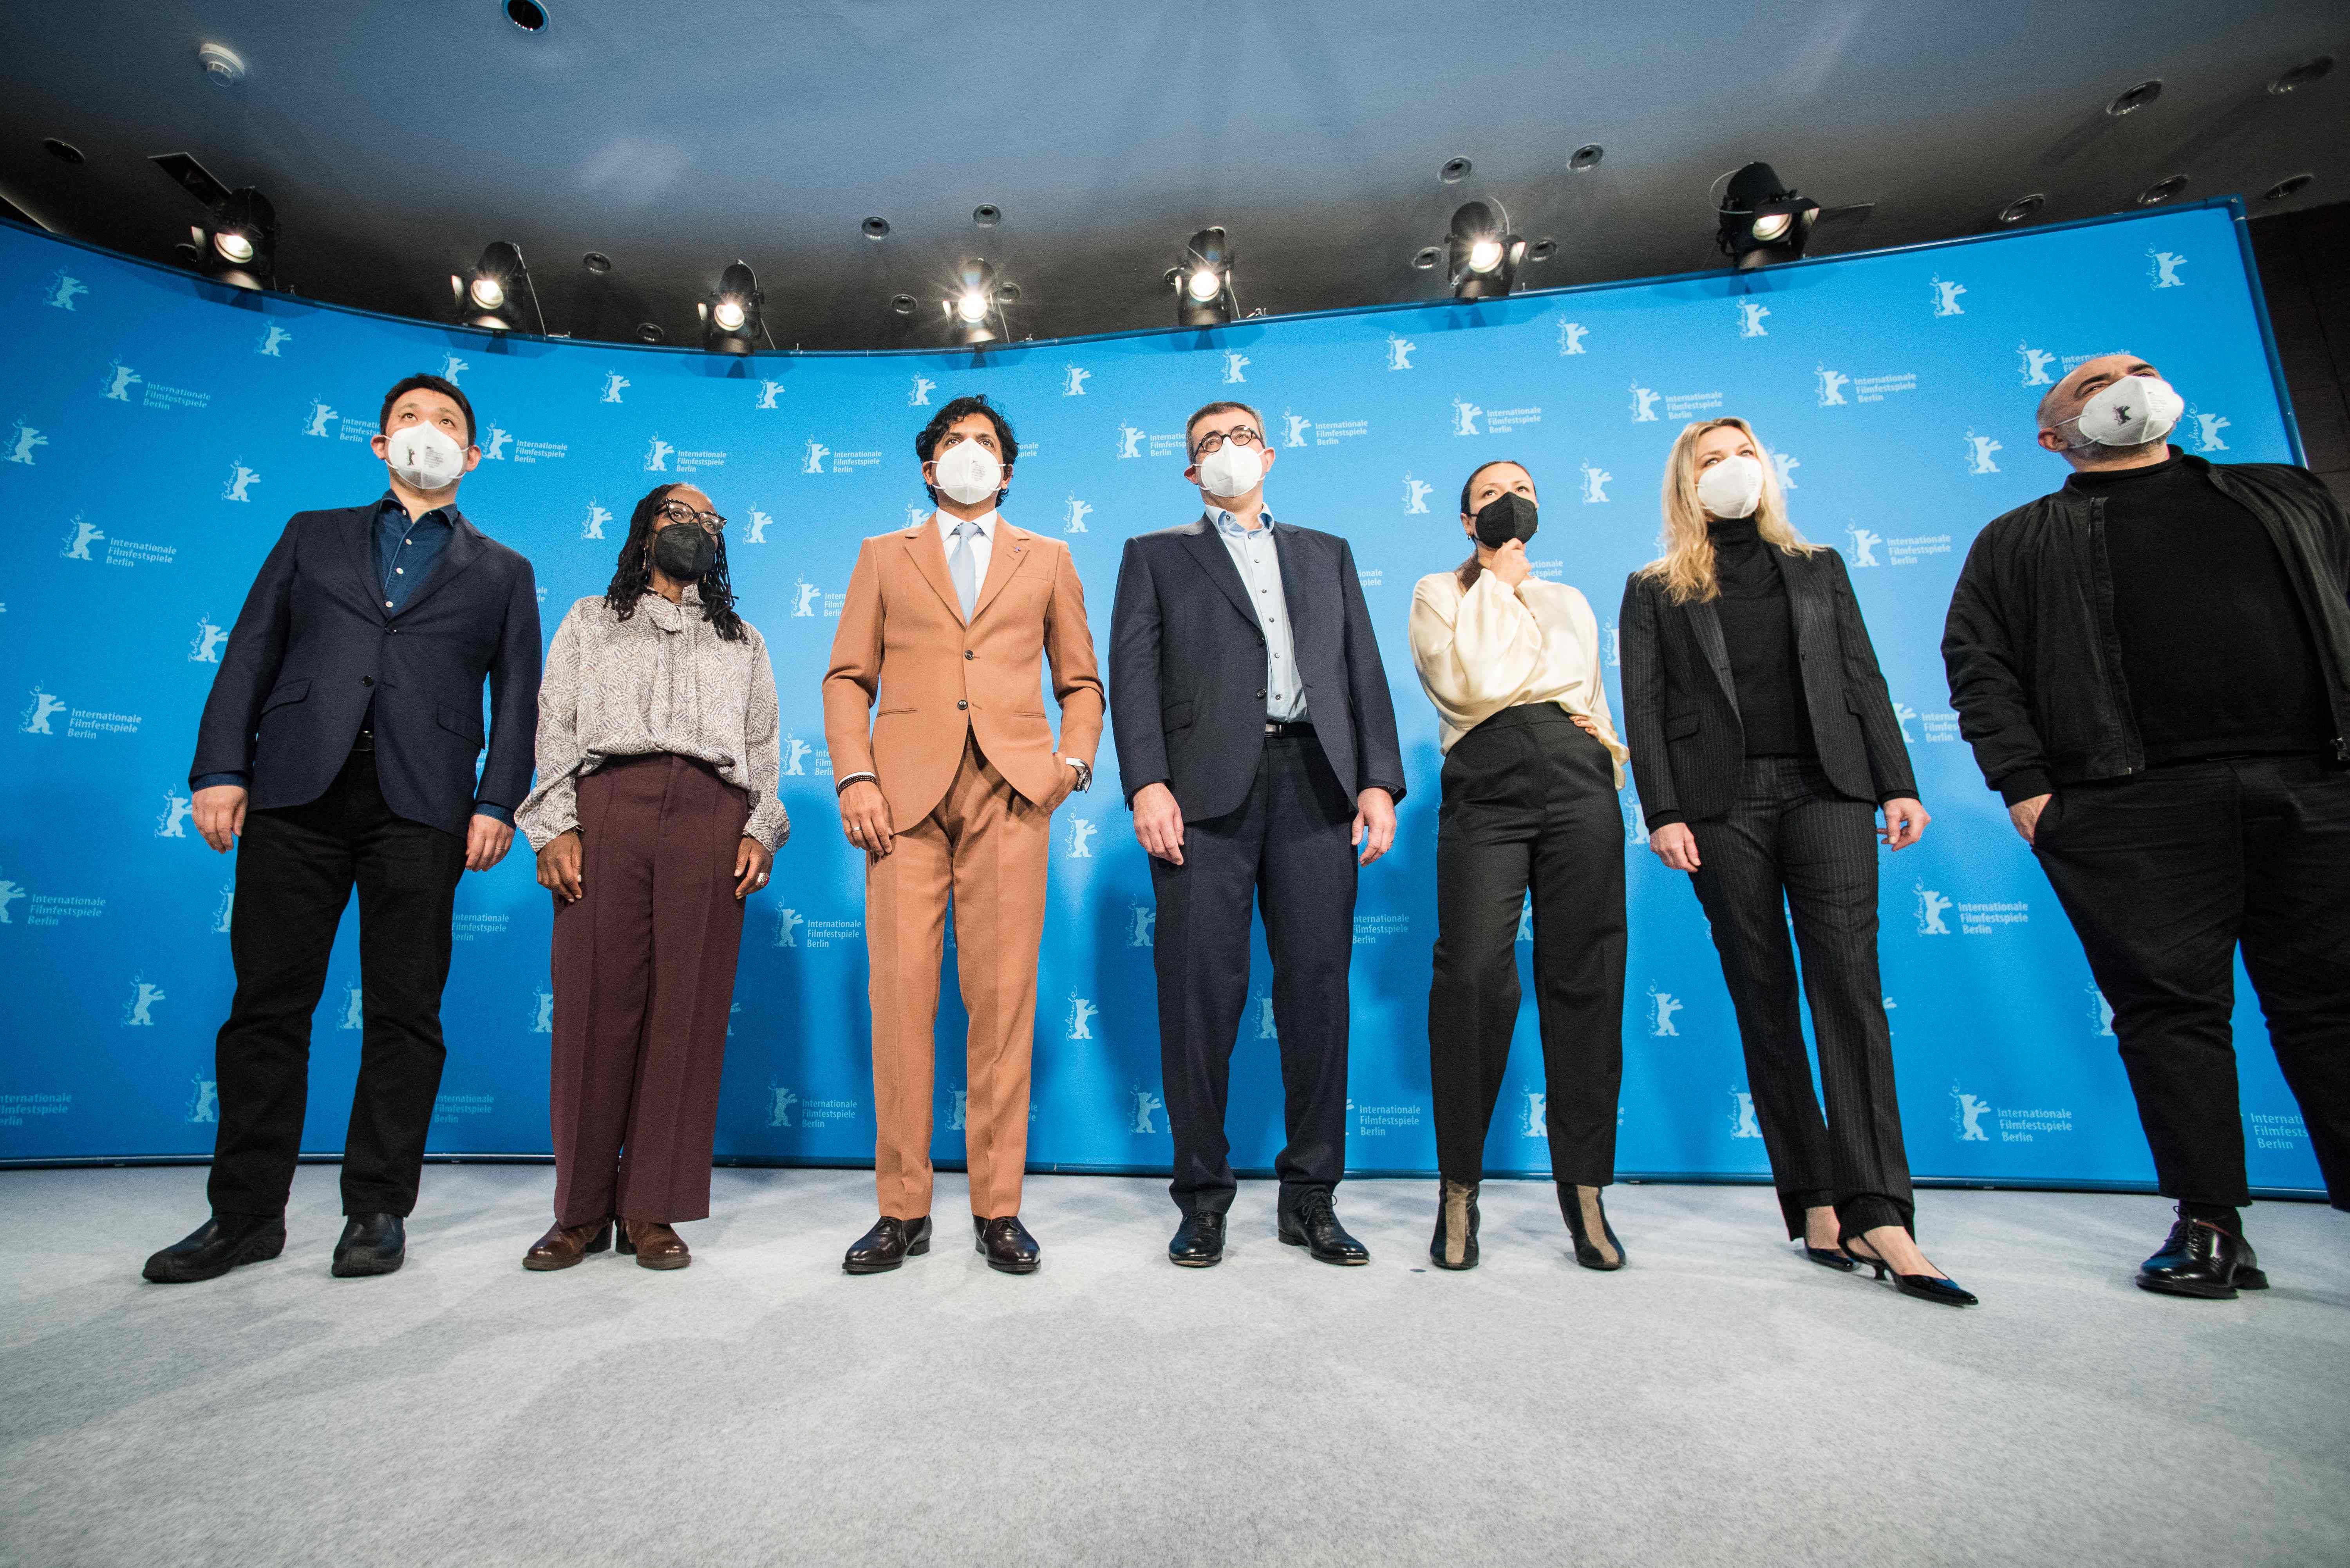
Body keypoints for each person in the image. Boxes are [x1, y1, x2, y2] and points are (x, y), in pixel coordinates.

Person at [1944, 352, 2350, 1299]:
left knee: (2335, 1005)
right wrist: (2027, 787)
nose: (2128, 384)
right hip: (2131, 804)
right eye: (2091, 384)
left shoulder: (2283, 495)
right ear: (2054, 437)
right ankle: (2211, 1221)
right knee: (2170, 1014)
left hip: (2316, 785)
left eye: (2140, 370)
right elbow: (1980, 664)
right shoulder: (2018, 538)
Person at [146, 373, 540, 1284]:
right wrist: (220, 768)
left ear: (473, 456)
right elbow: (250, 648)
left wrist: (496, 801)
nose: (426, 433)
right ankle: (243, 1215)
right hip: (293, 791)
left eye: (447, 424)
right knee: (266, 1008)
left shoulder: (505, 571)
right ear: (378, 443)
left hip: (425, 803)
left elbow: (517, 697)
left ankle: (375, 1208)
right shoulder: (310, 532)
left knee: (407, 1012)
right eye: (409, 419)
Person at [1622, 416, 1974, 1307]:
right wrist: (1661, 809)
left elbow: (1862, 677)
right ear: (1686, 481)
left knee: (1849, 987)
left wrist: (1897, 782)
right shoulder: (1655, 587)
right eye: (1713, 460)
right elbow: (1647, 703)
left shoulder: (1819, 566)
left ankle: (1882, 1210)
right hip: (1719, 803)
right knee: (1764, 996)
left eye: (1744, 455)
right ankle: (1814, 1199)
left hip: (1832, 789)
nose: (1732, 470)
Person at [1109, 399, 1406, 1269]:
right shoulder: (1156, 556)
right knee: (1200, 998)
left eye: (1240, 437)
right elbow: (1132, 673)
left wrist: (1379, 781)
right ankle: (1202, 1197)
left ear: (1269, 452)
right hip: (1203, 796)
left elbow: (1364, 670)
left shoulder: (1327, 553)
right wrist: (1147, 783)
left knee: (1318, 994)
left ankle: (1311, 1197)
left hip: (1317, 783)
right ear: (1190, 470)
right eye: (1208, 445)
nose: (1226, 452)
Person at [823, 394, 1102, 1276]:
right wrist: (856, 774)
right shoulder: (882, 555)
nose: (969, 453)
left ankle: (999, 1210)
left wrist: (1074, 765)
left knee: (1002, 1003)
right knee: (901, 1003)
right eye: (954, 442)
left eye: (985, 443)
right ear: (926, 464)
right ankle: (902, 1209)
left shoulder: (1049, 558)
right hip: (900, 802)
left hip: (1015, 794)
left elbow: (1083, 682)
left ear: (1008, 471)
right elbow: (845, 677)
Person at [514, 484, 786, 1272]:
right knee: (596, 1007)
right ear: (644, 529)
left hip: (711, 815)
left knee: (687, 1013)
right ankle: (580, 1211)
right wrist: (555, 824)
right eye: (678, 514)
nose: (693, 528)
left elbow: (764, 744)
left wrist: (759, 828)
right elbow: (556, 723)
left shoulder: (745, 641)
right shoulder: (590, 621)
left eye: (709, 521)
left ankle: (651, 1209)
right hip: (610, 809)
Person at [1408, 461, 1629, 1272]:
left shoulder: (1569, 598)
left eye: (1526, 491)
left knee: (1587, 975)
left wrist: (1596, 747)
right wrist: (1497, 578)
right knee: (1471, 976)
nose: (1513, 501)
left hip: (1578, 782)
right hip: (1487, 783)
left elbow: (1593, 697)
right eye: (1494, 495)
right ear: (1468, 520)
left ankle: (1585, 1190)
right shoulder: (1441, 591)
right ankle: (1459, 1189)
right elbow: (1470, 685)